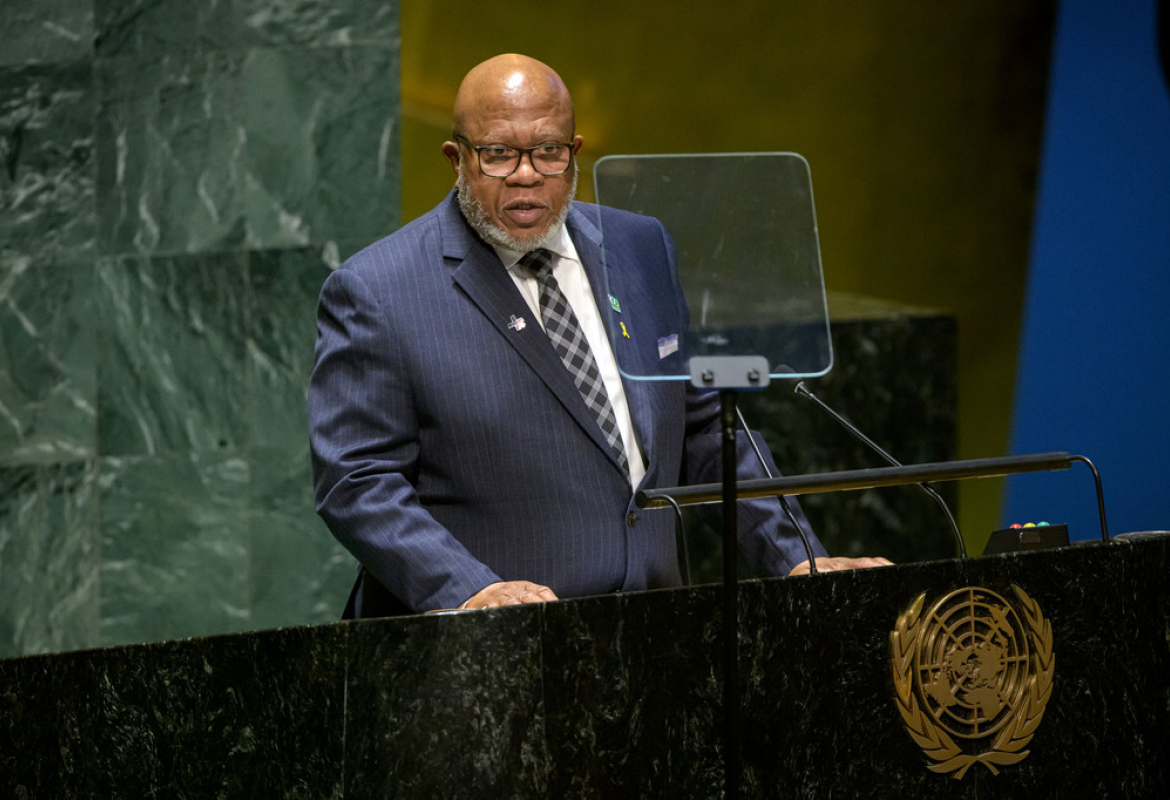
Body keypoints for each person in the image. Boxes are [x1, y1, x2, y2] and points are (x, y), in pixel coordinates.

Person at [308, 54, 890, 617]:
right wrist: (469, 591)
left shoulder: (639, 246)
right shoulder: (379, 290)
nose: (527, 174)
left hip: (653, 630)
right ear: (456, 158)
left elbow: (705, 431)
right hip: (495, 648)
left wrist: (798, 558)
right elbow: (357, 481)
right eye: (498, 155)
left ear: (574, 152)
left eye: (548, 151)